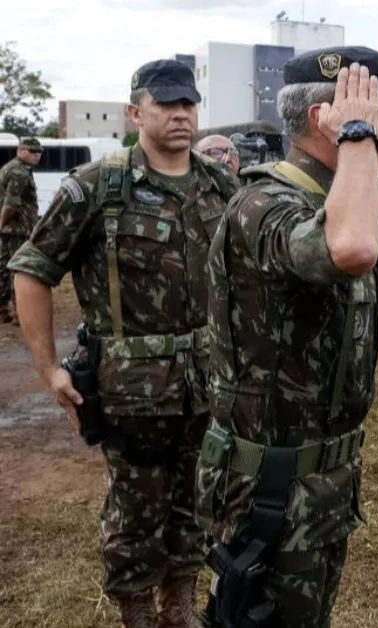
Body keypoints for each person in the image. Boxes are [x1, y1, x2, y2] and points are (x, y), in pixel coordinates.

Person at [7, 59, 240, 627]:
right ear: (137, 112)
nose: (182, 114)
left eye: (189, 103)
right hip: (131, 390)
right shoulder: (96, 188)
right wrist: (47, 372)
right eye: (167, 104)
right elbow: (32, 270)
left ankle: (178, 601)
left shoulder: (221, 185)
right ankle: (135, 609)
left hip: (208, 382)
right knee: (135, 508)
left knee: (195, 499)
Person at [197, 47, 378, 627]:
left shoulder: (331, 200)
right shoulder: (264, 202)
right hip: (267, 490)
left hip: (320, 483)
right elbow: (350, 250)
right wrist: (360, 135)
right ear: (327, 119)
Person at [0, 136, 42, 325]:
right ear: (21, 150)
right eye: (33, 152)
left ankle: (3, 310)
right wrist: (1, 224)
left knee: (4, 267)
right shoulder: (19, 172)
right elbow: (11, 204)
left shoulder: (10, 167)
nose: (37, 156)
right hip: (18, 229)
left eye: (39, 152)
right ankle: (19, 313)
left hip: (11, 228)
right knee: (19, 269)